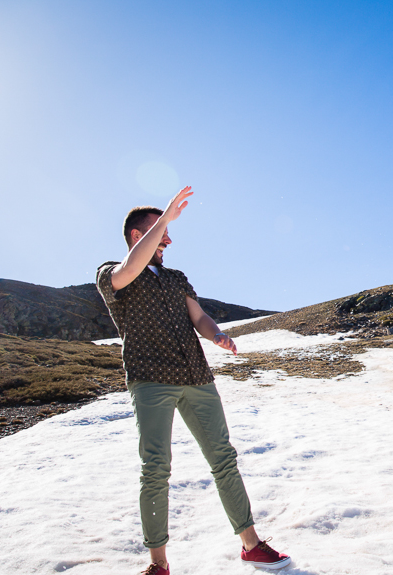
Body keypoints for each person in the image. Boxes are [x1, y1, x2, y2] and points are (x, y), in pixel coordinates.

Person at [97, 186, 291, 574]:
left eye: (167, 229)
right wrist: (166, 215)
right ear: (138, 236)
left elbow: (198, 316)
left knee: (224, 459)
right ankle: (159, 563)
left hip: (196, 377)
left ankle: (251, 545)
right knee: (156, 467)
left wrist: (215, 334)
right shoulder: (111, 274)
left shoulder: (176, 278)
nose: (168, 237)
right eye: (160, 229)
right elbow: (129, 270)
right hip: (150, 378)